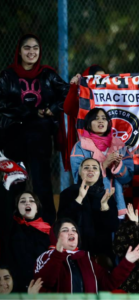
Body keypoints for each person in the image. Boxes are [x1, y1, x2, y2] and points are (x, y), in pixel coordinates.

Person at [0, 34, 70, 224]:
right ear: (20, 51)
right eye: (27, 48)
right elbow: (2, 103)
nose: (31, 52)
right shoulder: (7, 76)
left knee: (42, 186)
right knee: (14, 185)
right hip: (14, 137)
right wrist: (31, 113)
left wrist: (52, 109)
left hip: (40, 138)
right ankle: (12, 229)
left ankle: (47, 230)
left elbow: (69, 93)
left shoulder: (47, 74)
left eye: (35, 48)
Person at [34, 218, 139, 293]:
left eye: (74, 230)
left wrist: (127, 262)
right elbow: (45, 283)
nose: (71, 233)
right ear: (55, 236)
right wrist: (58, 254)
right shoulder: (46, 256)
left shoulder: (86, 258)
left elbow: (108, 283)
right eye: (65, 230)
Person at [70, 107, 134, 217]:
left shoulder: (119, 145)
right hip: (89, 202)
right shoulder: (80, 146)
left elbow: (128, 178)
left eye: (104, 118)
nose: (101, 121)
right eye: (96, 118)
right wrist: (103, 165)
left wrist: (118, 166)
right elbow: (78, 177)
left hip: (115, 202)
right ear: (88, 124)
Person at [58, 158, 119, 260]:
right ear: (80, 173)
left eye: (95, 168)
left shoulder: (106, 195)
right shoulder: (68, 193)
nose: (90, 170)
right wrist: (79, 198)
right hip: (74, 251)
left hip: (101, 255)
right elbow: (62, 221)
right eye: (86, 168)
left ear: (99, 174)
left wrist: (104, 206)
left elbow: (113, 226)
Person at [64, 65, 106, 171]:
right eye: (96, 79)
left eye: (103, 79)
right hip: (86, 150)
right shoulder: (81, 101)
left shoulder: (109, 100)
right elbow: (68, 109)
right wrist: (74, 87)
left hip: (107, 147)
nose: (100, 82)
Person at [6, 191, 50, 292]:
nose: (27, 203)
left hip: (41, 285)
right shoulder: (11, 227)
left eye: (31, 200)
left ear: (37, 208)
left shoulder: (47, 230)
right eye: (22, 201)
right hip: (16, 286)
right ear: (17, 208)